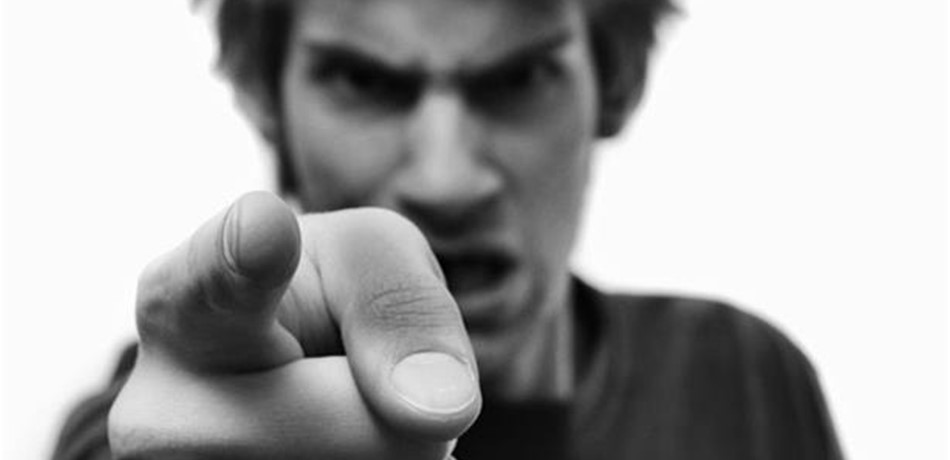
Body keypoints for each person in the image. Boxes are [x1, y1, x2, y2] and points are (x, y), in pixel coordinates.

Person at [52, 0, 844, 458]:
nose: (446, 181)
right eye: (363, 80)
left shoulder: (742, 376)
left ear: (618, 81)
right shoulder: (179, 408)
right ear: (266, 96)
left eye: (520, 77)